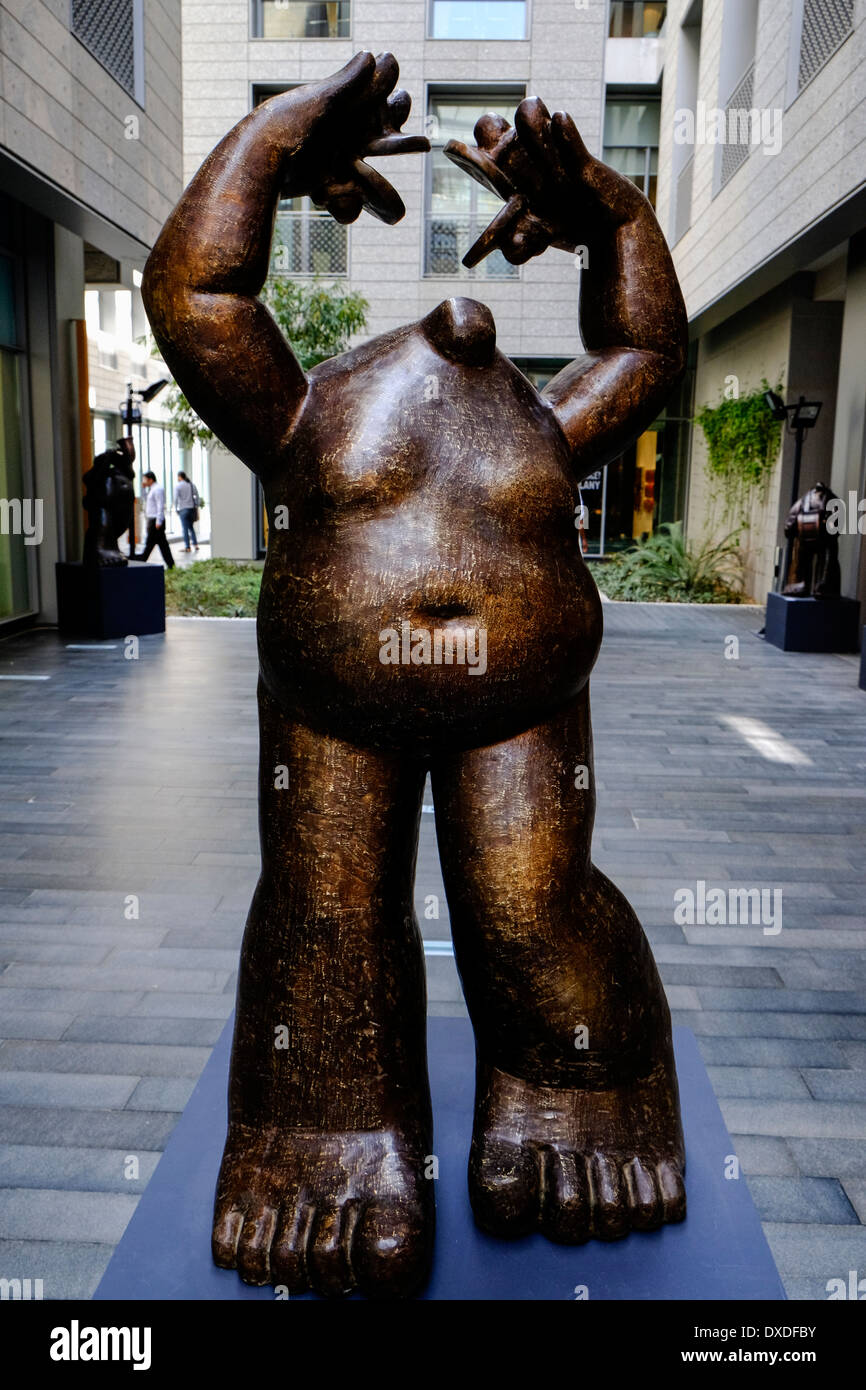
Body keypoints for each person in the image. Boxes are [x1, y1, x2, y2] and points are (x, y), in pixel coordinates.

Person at [143, 53, 688, 1299]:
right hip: (336, 709)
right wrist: (268, 141)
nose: (459, 319)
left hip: (524, 708)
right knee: (325, 915)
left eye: (479, 327)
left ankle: (577, 1076)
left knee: (531, 910)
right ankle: (325, 1118)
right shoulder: (300, 418)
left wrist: (615, 212)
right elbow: (194, 294)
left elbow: (645, 344)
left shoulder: (545, 427)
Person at [135, 471, 175, 568]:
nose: (143, 481)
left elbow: (160, 506)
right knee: (161, 544)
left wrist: (159, 521)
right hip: (152, 520)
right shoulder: (152, 489)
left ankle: (141, 562)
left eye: (145, 479)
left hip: (155, 521)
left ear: (150, 479)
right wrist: (143, 489)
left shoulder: (158, 489)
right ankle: (171, 565)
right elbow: (146, 499)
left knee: (150, 544)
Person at [174, 470, 200, 552]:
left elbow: (175, 499)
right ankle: (195, 545)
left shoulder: (178, 486)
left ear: (179, 477)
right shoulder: (191, 484)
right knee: (191, 528)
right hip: (192, 509)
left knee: (185, 529)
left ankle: (187, 547)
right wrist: (196, 505)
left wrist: (176, 509)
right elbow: (197, 496)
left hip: (183, 510)